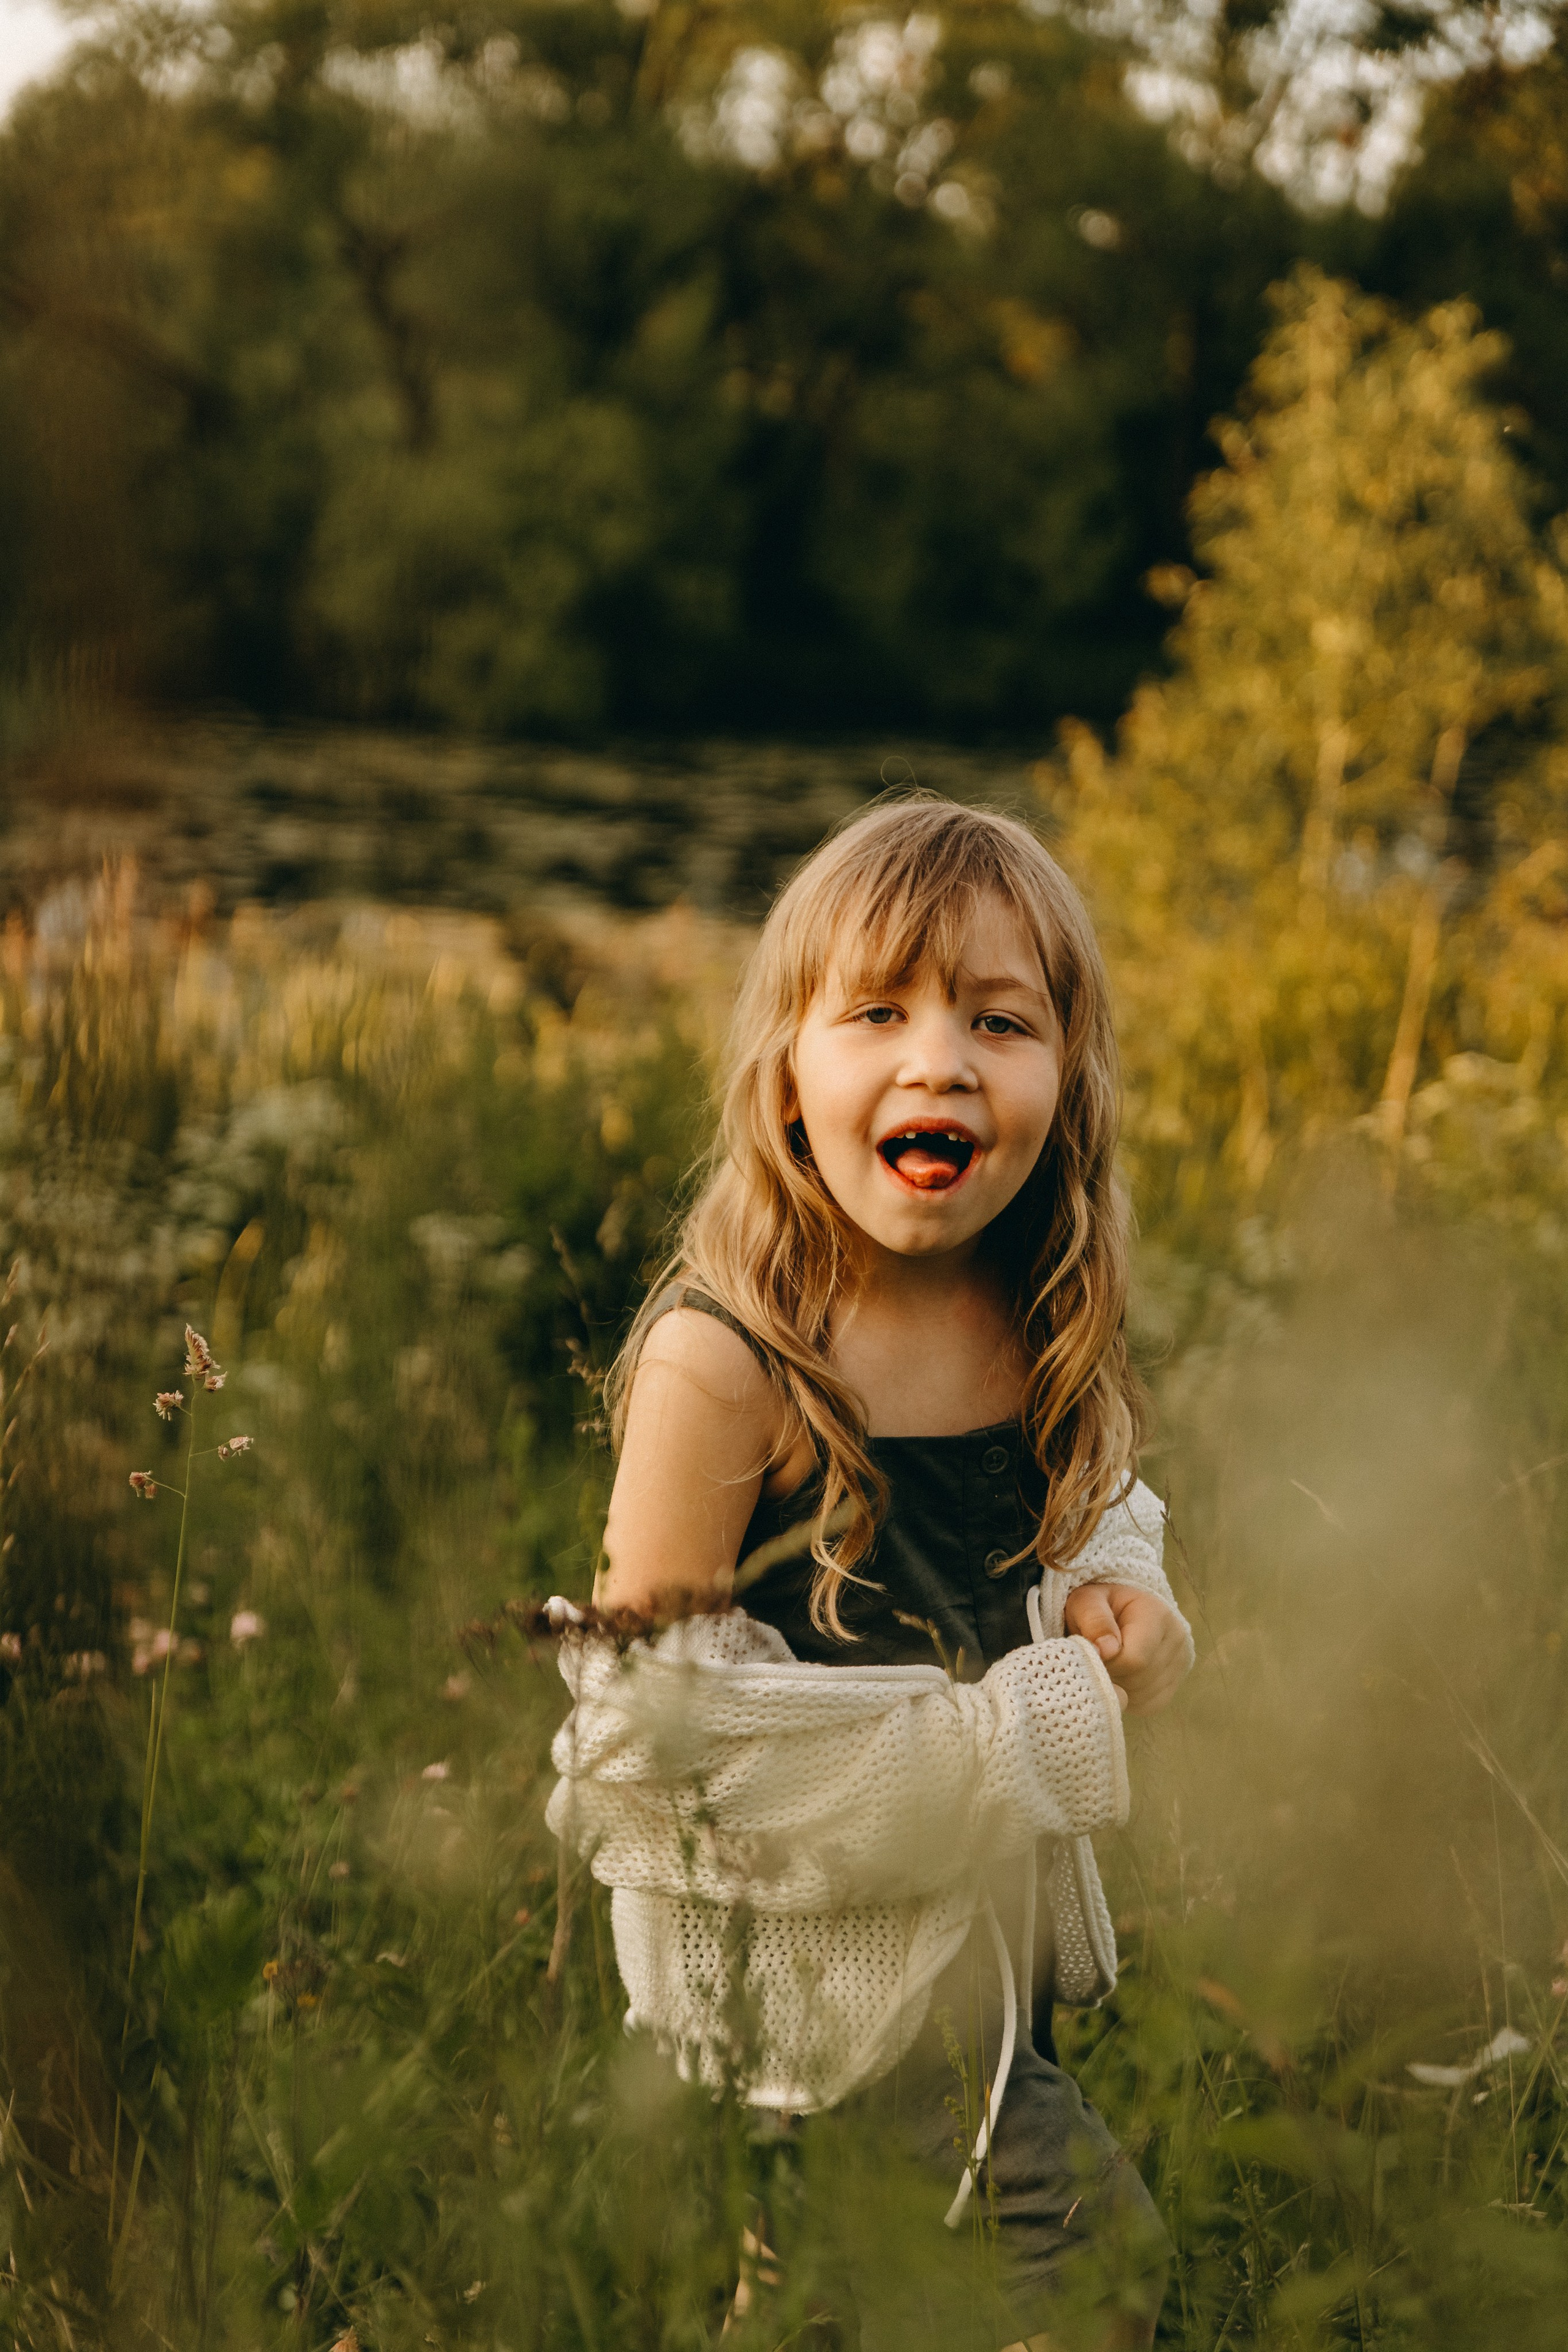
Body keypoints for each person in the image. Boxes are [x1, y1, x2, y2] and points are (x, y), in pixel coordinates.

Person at [549, 797, 1194, 2350]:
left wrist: (1129, 1605)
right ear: (785, 1081)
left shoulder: (1032, 1316)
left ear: (1064, 1080)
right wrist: (1004, 1739)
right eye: (877, 1013)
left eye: (998, 1019)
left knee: (849, 2304)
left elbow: (1101, 1508)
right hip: (827, 1988)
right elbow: (654, 1739)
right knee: (1100, 2270)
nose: (940, 1059)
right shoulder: (731, 1363)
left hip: (988, 1937)